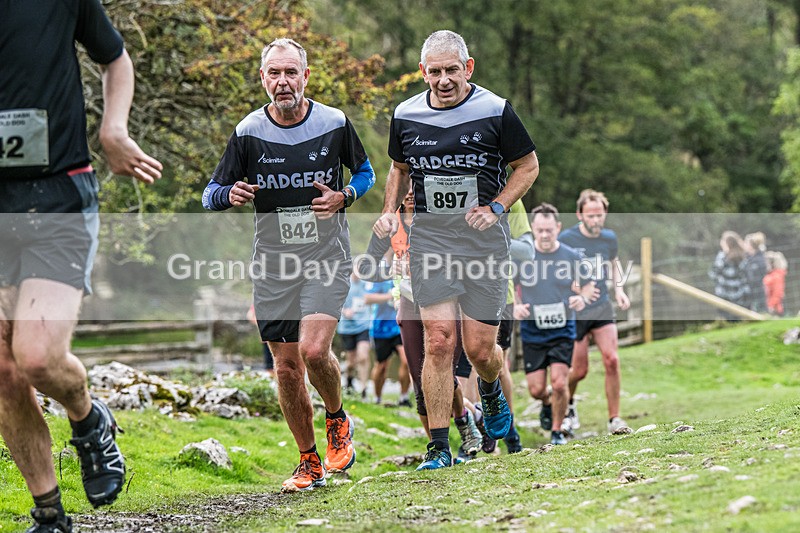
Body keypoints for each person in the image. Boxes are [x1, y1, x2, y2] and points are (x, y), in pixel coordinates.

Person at [1, 2, 163, 531]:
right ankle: (49, 514)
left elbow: (115, 59)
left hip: (57, 195)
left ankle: (88, 416)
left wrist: (113, 129)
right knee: (3, 372)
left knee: (37, 357)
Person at [202, 38, 375, 492]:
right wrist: (228, 195)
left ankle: (337, 419)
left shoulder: (334, 122)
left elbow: (366, 172)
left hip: (325, 256)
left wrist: (345, 196)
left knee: (314, 351)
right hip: (274, 263)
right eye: (274, 74)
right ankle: (308, 461)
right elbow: (210, 193)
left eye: (290, 73)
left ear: (306, 76)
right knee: (285, 369)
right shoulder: (247, 132)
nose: (283, 82)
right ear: (263, 79)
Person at [374, 30, 539, 469]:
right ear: (422, 72)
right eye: (434, 72)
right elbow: (398, 168)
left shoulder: (495, 110)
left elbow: (528, 165)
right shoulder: (406, 114)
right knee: (439, 340)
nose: (443, 80)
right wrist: (390, 209)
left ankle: (489, 388)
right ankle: (439, 447)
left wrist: (498, 207)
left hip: (483, 243)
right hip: (432, 241)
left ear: (468, 68)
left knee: (481, 350)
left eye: (451, 70)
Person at [356, 187, 483, 464]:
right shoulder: (391, 224)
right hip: (410, 303)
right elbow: (365, 268)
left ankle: (463, 421)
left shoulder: (443, 217)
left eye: (418, 186)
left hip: (446, 301)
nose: (412, 193)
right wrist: (390, 270)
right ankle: (439, 451)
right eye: (407, 188)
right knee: (420, 385)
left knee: (443, 372)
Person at [558, 189, 631, 435]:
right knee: (579, 370)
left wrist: (619, 290)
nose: (596, 221)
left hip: (601, 307)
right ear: (580, 215)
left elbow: (614, 264)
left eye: (600, 215)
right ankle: (567, 405)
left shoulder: (609, 238)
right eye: (591, 216)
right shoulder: (567, 238)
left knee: (612, 359)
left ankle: (615, 419)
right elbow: (558, 270)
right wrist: (576, 290)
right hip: (577, 310)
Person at [515, 204, 587, 445]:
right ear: (533, 229)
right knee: (536, 389)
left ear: (558, 228)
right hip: (533, 331)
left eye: (549, 230)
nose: (545, 235)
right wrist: (516, 305)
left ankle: (557, 431)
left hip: (562, 329)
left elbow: (588, 284)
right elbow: (509, 285)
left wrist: (581, 298)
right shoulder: (524, 256)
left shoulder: (571, 256)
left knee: (558, 383)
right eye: (540, 231)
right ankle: (547, 405)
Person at [364, 279, 411, 405]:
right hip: (381, 328)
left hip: (401, 326)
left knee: (407, 361)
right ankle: (377, 398)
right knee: (381, 366)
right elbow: (367, 299)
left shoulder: (405, 275)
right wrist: (391, 295)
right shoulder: (379, 276)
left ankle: (404, 397)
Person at [338, 272, 372, 398]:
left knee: (363, 357)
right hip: (347, 327)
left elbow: (372, 298)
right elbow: (335, 301)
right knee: (350, 362)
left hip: (363, 325)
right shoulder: (344, 284)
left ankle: (364, 389)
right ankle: (349, 380)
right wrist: (344, 311)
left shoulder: (367, 285)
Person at [708, 230, 749, 316]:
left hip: (724, 294)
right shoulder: (743, 257)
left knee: (728, 318)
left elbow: (713, 274)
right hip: (740, 294)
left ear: (726, 243)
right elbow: (746, 276)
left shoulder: (722, 257)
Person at [743, 232, 768, 313]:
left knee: (761, 311)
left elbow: (755, 278)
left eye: (746, 243)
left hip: (758, 291)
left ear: (751, 245)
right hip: (748, 292)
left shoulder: (759, 260)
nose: (744, 244)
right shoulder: (747, 258)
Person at [247, 304, 275, 376]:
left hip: (279, 338)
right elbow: (250, 316)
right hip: (268, 338)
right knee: (270, 366)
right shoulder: (259, 301)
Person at [764, 251, 788, 316]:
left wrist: (770, 305)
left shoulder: (776, 276)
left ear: (771, 263)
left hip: (775, 309)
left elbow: (777, 293)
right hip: (770, 306)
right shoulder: (771, 275)